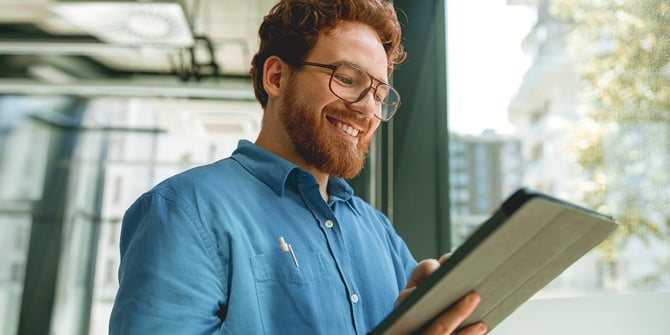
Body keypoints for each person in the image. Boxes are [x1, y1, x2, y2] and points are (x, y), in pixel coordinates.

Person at [109, 0, 487, 334]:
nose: (368, 109)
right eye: (346, 78)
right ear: (276, 77)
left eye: (379, 94)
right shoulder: (184, 210)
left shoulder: (379, 232)